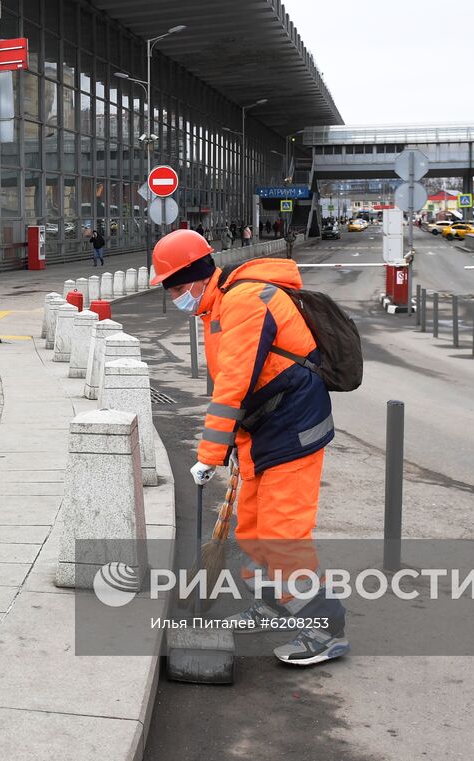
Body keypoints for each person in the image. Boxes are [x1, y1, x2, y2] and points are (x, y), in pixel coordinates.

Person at [151, 228, 346, 667]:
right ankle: (276, 607)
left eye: (179, 289)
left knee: (283, 533)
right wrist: (236, 449)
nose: (178, 298)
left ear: (199, 276)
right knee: (253, 529)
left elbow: (232, 389)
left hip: (293, 429)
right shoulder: (217, 306)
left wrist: (207, 457)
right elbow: (243, 389)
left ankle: (324, 629)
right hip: (265, 433)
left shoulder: (244, 303)